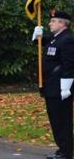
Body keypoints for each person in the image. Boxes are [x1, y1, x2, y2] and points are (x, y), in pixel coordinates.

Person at [32, 11, 74, 159]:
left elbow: (69, 65)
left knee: (62, 121)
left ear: (62, 23)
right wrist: (36, 34)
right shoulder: (55, 38)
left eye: (53, 21)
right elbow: (39, 42)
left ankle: (66, 152)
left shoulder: (67, 39)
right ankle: (62, 149)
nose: (50, 23)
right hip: (51, 87)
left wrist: (66, 87)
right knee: (55, 120)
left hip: (60, 88)